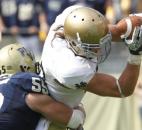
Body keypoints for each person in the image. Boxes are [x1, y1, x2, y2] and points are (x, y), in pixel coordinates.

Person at [38, 5, 142, 130]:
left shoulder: (72, 19)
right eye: (91, 47)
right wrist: (135, 54)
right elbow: (121, 89)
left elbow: (103, 31)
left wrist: (130, 26)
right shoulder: (71, 69)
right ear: (74, 44)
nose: (99, 49)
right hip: (52, 122)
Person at [0, 43, 86, 130]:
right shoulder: (22, 83)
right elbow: (73, 119)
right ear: (23, 67)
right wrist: (79, 110)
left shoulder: (9, 86)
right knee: (51, 122)